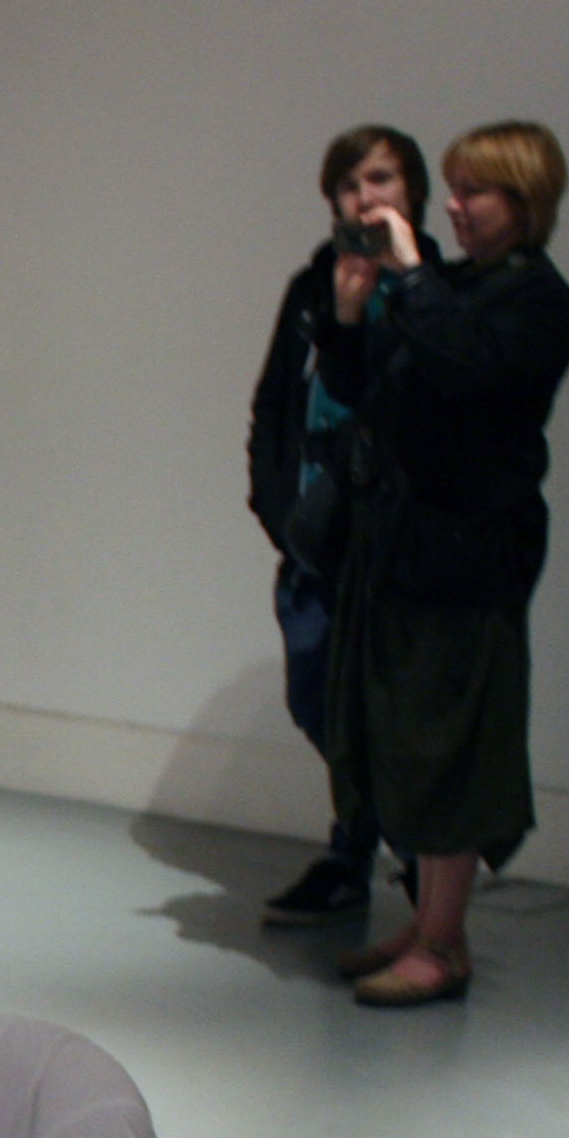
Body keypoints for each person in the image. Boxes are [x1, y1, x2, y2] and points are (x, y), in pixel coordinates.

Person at [318, 125, 569, 1006]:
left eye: (474, 192)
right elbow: (364, 392)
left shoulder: (538, 299)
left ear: (523, 202)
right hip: (404, 549)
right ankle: (435, 926)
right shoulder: (454, 286)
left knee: (451, 750)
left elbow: (472, 373)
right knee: (406, 743)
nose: (453, 207)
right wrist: (350, 313)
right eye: (455, 189)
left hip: (471, 560)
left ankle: (442, 944)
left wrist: (415, 277)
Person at [248, 126, 434, 923]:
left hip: (394, 540)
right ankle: (383, 847)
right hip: (314, 530)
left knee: (390, 710)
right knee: (314, 693)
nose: (366, 199)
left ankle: (385, 853)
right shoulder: (312, 284)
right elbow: (276, 397)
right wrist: (274, 503)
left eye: (381, 180)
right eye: (351, 185)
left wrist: (405, 281)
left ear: (413, 191)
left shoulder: (436, 290)